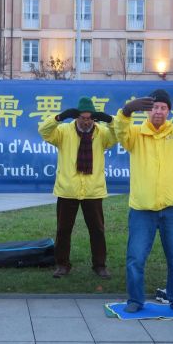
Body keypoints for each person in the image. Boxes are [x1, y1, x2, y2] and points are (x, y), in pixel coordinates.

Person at [114, 89, 173, 314]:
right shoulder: (135, 134)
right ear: (148, 111)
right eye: (155, 107)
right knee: (135, 258)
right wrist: (126, 111)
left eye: (163, 108)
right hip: (142, 209)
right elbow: (120, 129)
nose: (158, 111)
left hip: (172, 208)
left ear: (169, 111)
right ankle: (135, 300)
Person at [38, 96, 116, 279]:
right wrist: (59, 117)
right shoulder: (63, 131)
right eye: (83, 118)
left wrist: (110, 120)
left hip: (93, 191)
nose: (86, 121)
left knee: (97, 230)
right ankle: (62, 265)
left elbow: (119, 133)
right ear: (76, 117)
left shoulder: (102, 133)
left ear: (94, 118)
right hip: (68, 190)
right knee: (63, 230)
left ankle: (100, 266)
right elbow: (44, 131)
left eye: (90, 118)